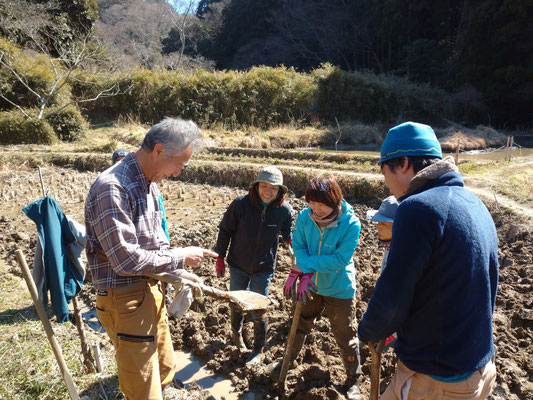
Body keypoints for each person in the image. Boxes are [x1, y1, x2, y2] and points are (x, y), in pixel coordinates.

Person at [358, 121, 498, 400]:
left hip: (435, 380)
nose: (387, 182)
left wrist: (369, 330)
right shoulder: (474, 203)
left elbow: (392, 298)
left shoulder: (417, 208)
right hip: (476, 368)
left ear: (404, 164)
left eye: (385, 171)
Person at [85, 117, 217, 400]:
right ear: (158, 150)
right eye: (179, 164)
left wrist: (177, 272)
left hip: (151, 291)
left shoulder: (150, 186)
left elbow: (156, 248)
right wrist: (180, 256)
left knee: (165, 368)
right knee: (143, 388)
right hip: (125, 298)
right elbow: (125, 261)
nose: (179, 173)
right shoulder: (113, 187)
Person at [282, 175, 362, 396]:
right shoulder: (304, 217)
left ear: (335, 201)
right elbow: (298, 244)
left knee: (345, 334)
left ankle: (353, 378)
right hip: (310, 286)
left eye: (321, 204)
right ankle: (288, 363)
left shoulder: (351, 224)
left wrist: (302, 266)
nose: (316, 209)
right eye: (312, 203)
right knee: (299, 324)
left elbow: (339, 260)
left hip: (339, 288)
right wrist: (305, 273)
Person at [213, 166, 293, 364]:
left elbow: (288, 234)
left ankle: (258, 349)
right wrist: (220, 257)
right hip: (238, 264)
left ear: (280, 192)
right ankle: (236, 334)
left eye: (273, 189)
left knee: (259, 308)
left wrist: (296, 247)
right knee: (236, 302)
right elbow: (225, 231)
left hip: (263, 268)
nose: (268, 192)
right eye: (264, 186)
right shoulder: (241, 204)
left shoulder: (283, 211)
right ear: (256, 186)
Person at [112, 148, 170, 243]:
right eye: (118, 161)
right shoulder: (111, 186)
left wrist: (166, 240)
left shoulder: (150, 186)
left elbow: (160, 218)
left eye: (124, 159)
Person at [366, 195, 399, 273]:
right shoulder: (390, 248)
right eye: (378, 222)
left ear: (398, 225)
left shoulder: (402, 257)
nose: (378, 227)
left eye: (384, 223)